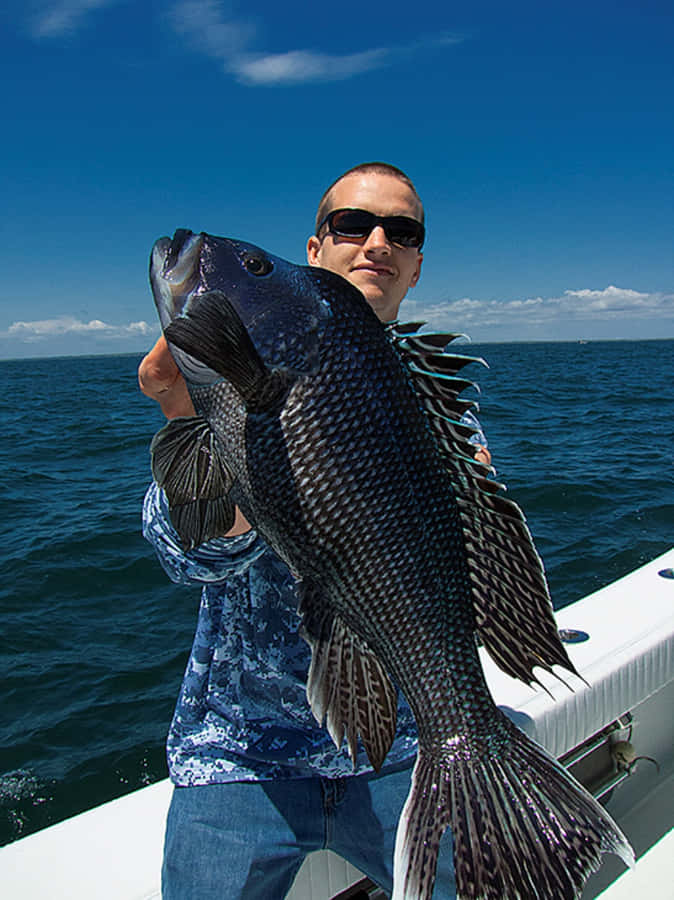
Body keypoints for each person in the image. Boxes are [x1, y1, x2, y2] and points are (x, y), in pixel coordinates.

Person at [139, 162, 490, 899]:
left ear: (417, 263)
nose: (376, 243)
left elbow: (466, 590)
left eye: (402, 231)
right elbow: (193, 560)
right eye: (352, 225)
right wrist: (189, 420)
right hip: (240, 753)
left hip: (401, 745)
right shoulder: (228, 379)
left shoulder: (442, 411)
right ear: (316, 247)